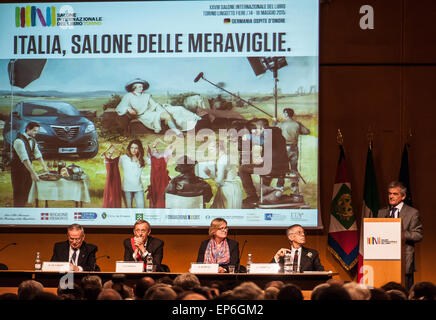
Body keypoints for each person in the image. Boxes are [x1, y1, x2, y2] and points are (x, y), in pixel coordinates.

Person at [377, 181, 423, 291]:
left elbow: (418, 235)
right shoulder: (381, 212)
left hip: (404, 261)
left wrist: (399, 233)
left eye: (395, 194)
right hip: (383, 261)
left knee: (404, 292)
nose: (391, 196)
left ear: (403, 196)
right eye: (389, 193)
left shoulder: (412, 213)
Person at [115, 78, 201, 136]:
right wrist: (128, 108)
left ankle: (194, 116)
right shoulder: (128, 96)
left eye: (142, 86)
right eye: (140, 86)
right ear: (134, 87)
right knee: (167, 115)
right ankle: (177, 132)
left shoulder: (146, 95)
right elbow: (120, 107)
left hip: (154, 110)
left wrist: (163, 108)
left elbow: (155, 104)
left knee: (178, 108)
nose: (142, 88)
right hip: (144, 115)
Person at [238, 118, 289, 206]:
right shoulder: (278, 134)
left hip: (272, 168)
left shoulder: (268, 132)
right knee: (259, 170)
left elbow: (262, 141)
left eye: (257, 128)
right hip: (282, 167)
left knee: (242, 169)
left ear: (261, 127)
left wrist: (248, 136)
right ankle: (269, 194)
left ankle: (252, 196)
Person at [10, 121, 48, 207]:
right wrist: (33, 173)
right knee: (19, 192)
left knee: (27, 191)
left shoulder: (33, 141)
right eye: (34, 130)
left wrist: (44, 167)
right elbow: (25, 159)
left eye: (37, 131)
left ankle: (24, 210)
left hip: (27, 169)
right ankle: (17, 211)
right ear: (28, 129)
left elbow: (38, 154)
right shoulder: (19, 141)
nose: (36, 133)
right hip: (18, 171)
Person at [203, 140, 243, 209]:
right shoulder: (227, 157)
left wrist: (209, 174)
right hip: (235, 188)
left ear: (219, 148)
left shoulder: (221, 160)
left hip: (228, 190)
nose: (210, 152)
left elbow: (219, 181)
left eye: (212, 149)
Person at [275, 108, 310, 175]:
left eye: (284, 113)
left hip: (283, 148)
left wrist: (275, 123)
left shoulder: (281, 124)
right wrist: (298, 132)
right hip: (294, 148)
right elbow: (307, 132)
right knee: (294, 167)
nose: (283, 114)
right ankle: (294, 184)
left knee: (282, 167)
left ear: (286, 114)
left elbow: (272, 130)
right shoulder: (297, 124)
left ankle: (280, 184)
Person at [119, 139, 146, 208]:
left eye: (136, 148)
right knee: (129, 211)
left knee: (141, 210)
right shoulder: (123, 158)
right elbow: (110, 163)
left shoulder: (142, 159)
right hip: (126, 188)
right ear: (129, 148)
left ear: (139, 149)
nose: (133, 150)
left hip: (138, 188)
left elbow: (155, 161)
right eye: (132, 148)